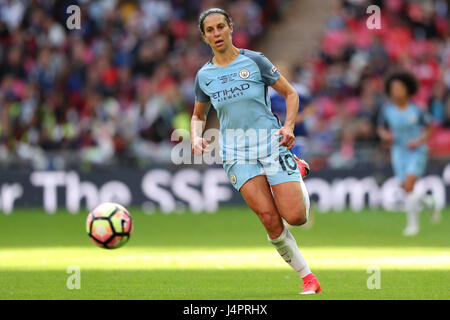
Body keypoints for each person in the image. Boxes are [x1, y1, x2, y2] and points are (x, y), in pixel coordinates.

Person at [190, 8, 321, 294]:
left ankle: (296, 168)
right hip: (236, 153)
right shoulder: (204, 76)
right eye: (210, 30)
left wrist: (288, 127)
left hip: (270, 144)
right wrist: (195, 137)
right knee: (269, 218)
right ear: (204, 37)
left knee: (296, 217)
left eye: (220, 27)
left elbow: (291, 94)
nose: (216, 33)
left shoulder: (255, 61)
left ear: (231, 28)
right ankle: (308, 278)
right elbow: (198, 115)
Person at [377, 71, 441, 236]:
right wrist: (386, 136)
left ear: (407, 90)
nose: (396, 91)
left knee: (409, 185)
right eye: (393, 88)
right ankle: (428, 202)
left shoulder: (417, 110)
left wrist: (418, 141)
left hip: (416, 151)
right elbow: (381, 129)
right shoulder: (387, 110)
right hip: (398, 152)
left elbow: (430, 128)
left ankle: (413, 226)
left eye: (399, 88)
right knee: (406, 189)